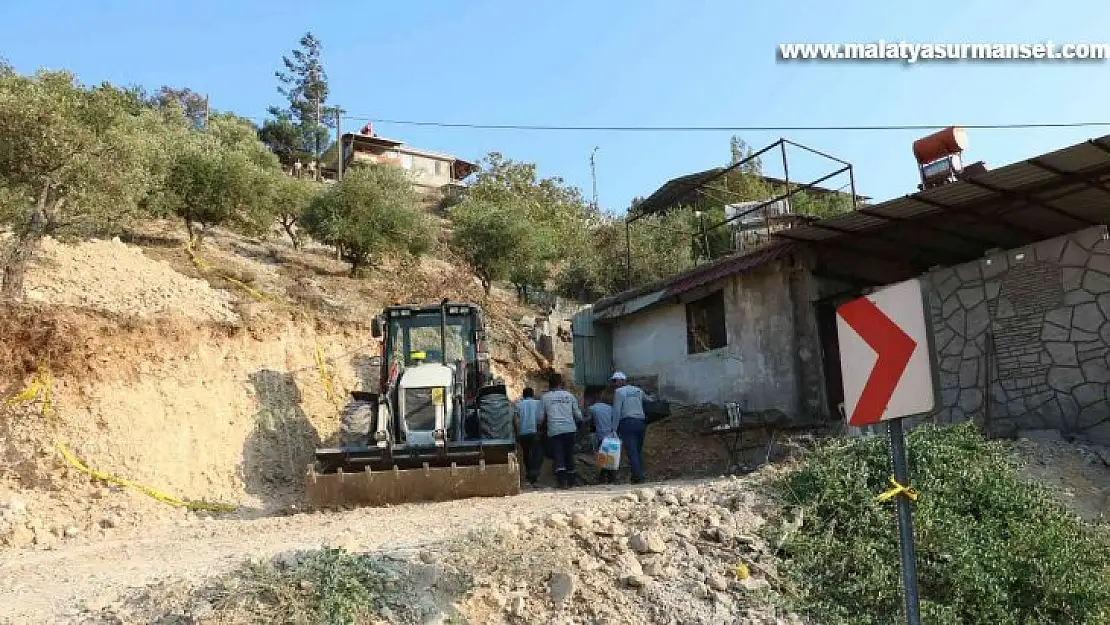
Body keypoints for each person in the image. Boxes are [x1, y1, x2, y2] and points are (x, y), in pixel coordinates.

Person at [541, 372, 583, 489]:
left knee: (559, 454)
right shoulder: (569, 396)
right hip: (570, 429)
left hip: (554, 430)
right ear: (561, 383)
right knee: (569, 454)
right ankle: (572, 481)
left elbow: (540, 418)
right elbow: (578, 415)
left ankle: (562, 482)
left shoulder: (545, 397)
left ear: (550, 384)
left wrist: (540, 428)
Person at [610, 371, 648, 485]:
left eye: (615, 381)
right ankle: (637, 474)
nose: (614, 383)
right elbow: (648, 400)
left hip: (627, 423)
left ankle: (638, 477)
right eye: (613, 381)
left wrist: (614, 428)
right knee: (637, 450)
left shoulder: (619, 392)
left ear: (622, 380)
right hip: (640, 422)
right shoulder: (638, 390)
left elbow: (617, 411)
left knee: (632, 451)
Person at [513, 387, 544, 487]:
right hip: (535, 432)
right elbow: (541, 419)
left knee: (526, 453)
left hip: (523, 433)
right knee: (537, 452)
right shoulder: (538, 403)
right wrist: (539, 430)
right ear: (532, 394)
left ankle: (528, 473)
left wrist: (517, 432)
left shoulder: (518, 405)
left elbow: (516, 420)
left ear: (523, 395)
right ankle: (535, 474)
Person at [585, 388, 617, 484]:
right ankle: (609, 479)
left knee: (603, 459)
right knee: (610, 458)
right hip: (612, 436)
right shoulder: (610, 408)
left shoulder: (592, 408)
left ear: (592, 399)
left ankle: (604, 478)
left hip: (601, 436)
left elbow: (587, 420)